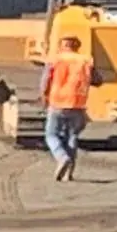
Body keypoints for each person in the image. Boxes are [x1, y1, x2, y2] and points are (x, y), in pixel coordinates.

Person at [42, 30, 93, 183]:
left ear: (62, 45)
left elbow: (46, 80)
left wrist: (44, 96)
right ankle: (68, 174)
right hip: (78, 104)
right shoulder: (85, 60)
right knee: (72, 136)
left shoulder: (55, 60)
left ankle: (61, 157)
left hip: (57, 102)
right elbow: (98, 79)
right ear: (77, 46)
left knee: (51, 135)